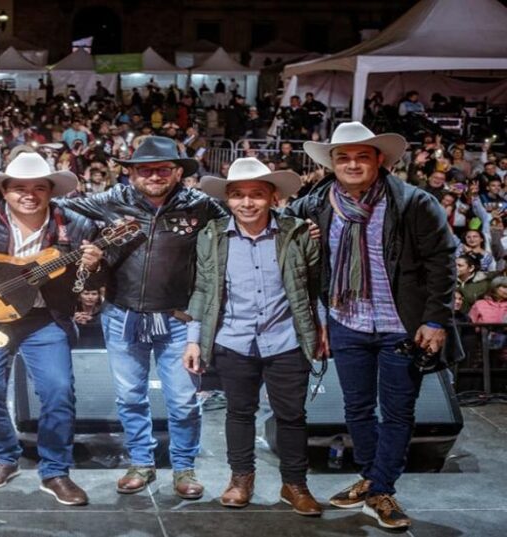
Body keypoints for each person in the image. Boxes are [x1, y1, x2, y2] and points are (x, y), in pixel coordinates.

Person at [289, 122, 458, 530]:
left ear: (379, 159)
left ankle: (383, 489)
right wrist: (301, 233)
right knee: (356, 407)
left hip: (403, 326)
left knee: (398, 412)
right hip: (347, 322)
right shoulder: (316, 205)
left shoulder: (413, 202)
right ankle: (371, 478)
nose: (351, 164)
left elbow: (443, 262)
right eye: (342, 157)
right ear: (332, 163)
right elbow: (284, 229)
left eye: (361, 156)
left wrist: (435, 319)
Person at [56, 136, 227, 499]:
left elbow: (243, 222)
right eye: (144, 169)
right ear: (131, 173)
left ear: (178, 171)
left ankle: (184, 468)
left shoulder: (202, 206)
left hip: (180, 319)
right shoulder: (111, 201)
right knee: (130, 396)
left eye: (162, 168)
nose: (153, 175)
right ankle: (141, 463)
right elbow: (53, 204)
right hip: (121, 315)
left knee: (182, 400)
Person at [0, 152, 102, 506]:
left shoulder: (74, 224)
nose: (28, 194)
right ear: (4, 190)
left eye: (38, 187)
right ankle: (4, 455)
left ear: (51, 190)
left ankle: (55, 469)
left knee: (59, 390)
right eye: (18, 187)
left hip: (44, 318)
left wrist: (93, 266)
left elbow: (89, 277)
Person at [183, 158, 325, 515]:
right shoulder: (211, 235)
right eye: (238, 195)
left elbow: (314, 286)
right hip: (233, 339)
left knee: (291, 416)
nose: (247, 203)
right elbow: (202, 288)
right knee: (239, 412)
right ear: (228, 199)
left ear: (273, 197)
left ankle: (295, 484)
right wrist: (193, 338)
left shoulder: (297, 233)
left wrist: (320, 329)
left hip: (286, 339)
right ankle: (240, 478)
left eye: (256, 195)